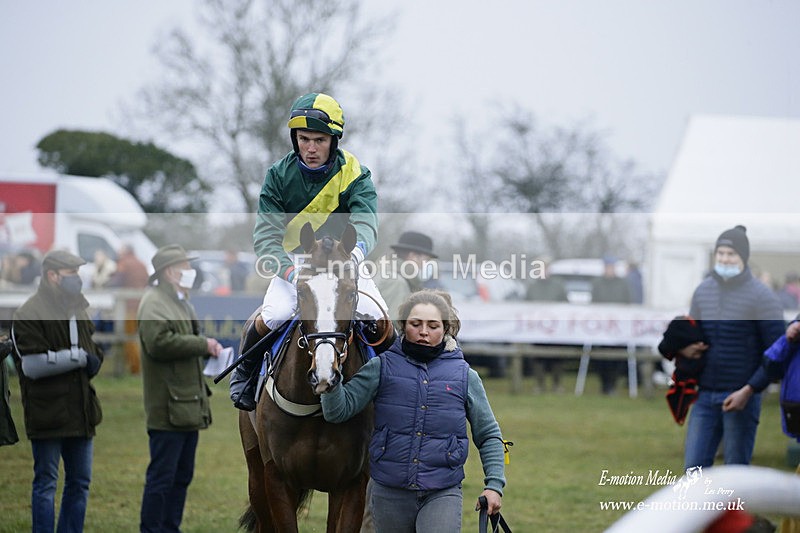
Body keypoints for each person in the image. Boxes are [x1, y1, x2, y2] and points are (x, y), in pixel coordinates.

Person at [230, 92, 388, 411]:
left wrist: (355, 256)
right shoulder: (278, 176)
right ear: (294, 138)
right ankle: (245, 374)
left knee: (381, 318)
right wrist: (290, 272)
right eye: (303, 139)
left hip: (346, 261)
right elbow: (265, 238)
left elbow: (366, 220)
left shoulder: (355, 172)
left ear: (334, 140)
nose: (311, 148)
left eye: (319, 140)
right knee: (273, 314)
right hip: (297, 264)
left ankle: (394, 387)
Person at [321, 290, 506, 533]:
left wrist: (494, 485)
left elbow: (489, 434)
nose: (424, 332)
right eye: (415, 324)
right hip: (388, 491)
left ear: (446, 328)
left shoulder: (465, 376)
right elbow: (337, 412)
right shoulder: (380, 367)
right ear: (403, 326)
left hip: (442, 490)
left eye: (433, 325)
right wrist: (330, 378)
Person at [10, 249, 104, 532]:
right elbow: (32, 366)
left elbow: (92, 352)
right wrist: (78, 359)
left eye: (78, 273)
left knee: (79, 484)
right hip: (47, 413)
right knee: (46, 484)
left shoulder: (79, 309)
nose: (77, 279)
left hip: (81, 412)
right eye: (71, 274)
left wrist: (93, 359)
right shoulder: (29, 312)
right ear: (52, 276)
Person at [679, 225, 784, 469]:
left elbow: (776, 353)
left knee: (735, 474)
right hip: (704, 395)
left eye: (731, 254)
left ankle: (737, 509)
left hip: (741, 397)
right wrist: (685, 349)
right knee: (693, 470)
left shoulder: (763, 296)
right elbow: (692, 333)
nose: (725, 259)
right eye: (720, 254)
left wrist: (749, 390)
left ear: (743, 258)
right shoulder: (702, 291)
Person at [137, 244, 223, 533]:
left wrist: (205, 346)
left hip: (187, 404)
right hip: (167, 407)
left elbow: (183, 338)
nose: (189, 271)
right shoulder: (153, 302)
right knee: (162, 478)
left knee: (181, 476)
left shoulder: (180, 301)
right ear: (169, 271)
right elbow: (158, 342)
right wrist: (202, 345)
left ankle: (169, 528)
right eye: (185, 266)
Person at [590, 256, 632, 395]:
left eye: (611, 267)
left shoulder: (623, 283)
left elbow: (629, 302)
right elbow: (593, 303)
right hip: (602, 328)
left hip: (619, 327)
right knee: (601, 357)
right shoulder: (597, 283)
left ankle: (612, 383)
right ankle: (605, 384)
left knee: (618, 357)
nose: (610, 269)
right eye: (607, 267)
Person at [376, 231, 438, 323]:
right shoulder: (396, 282)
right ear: (413, 256)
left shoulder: (388, 273)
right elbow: (394, 325)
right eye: (426, 260)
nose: (426, 264)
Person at [526, 262, 569, 393]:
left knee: (556, 357)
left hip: (555, 329)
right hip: (537, 328)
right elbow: (525, 306)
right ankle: (539, 384)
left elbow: (566, 305)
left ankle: (557, 384)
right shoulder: (532, 287)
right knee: (538, 358)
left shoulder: (559, 286)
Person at [108, 244, 150, 374]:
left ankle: (135, 368)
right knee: (137, 337)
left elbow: (116, 281)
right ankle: (136, 366)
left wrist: (106, 280)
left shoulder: (124, 263)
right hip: (142, 305)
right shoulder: (141, 264)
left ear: (126, 252)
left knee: (128, 337)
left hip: (128, 306)